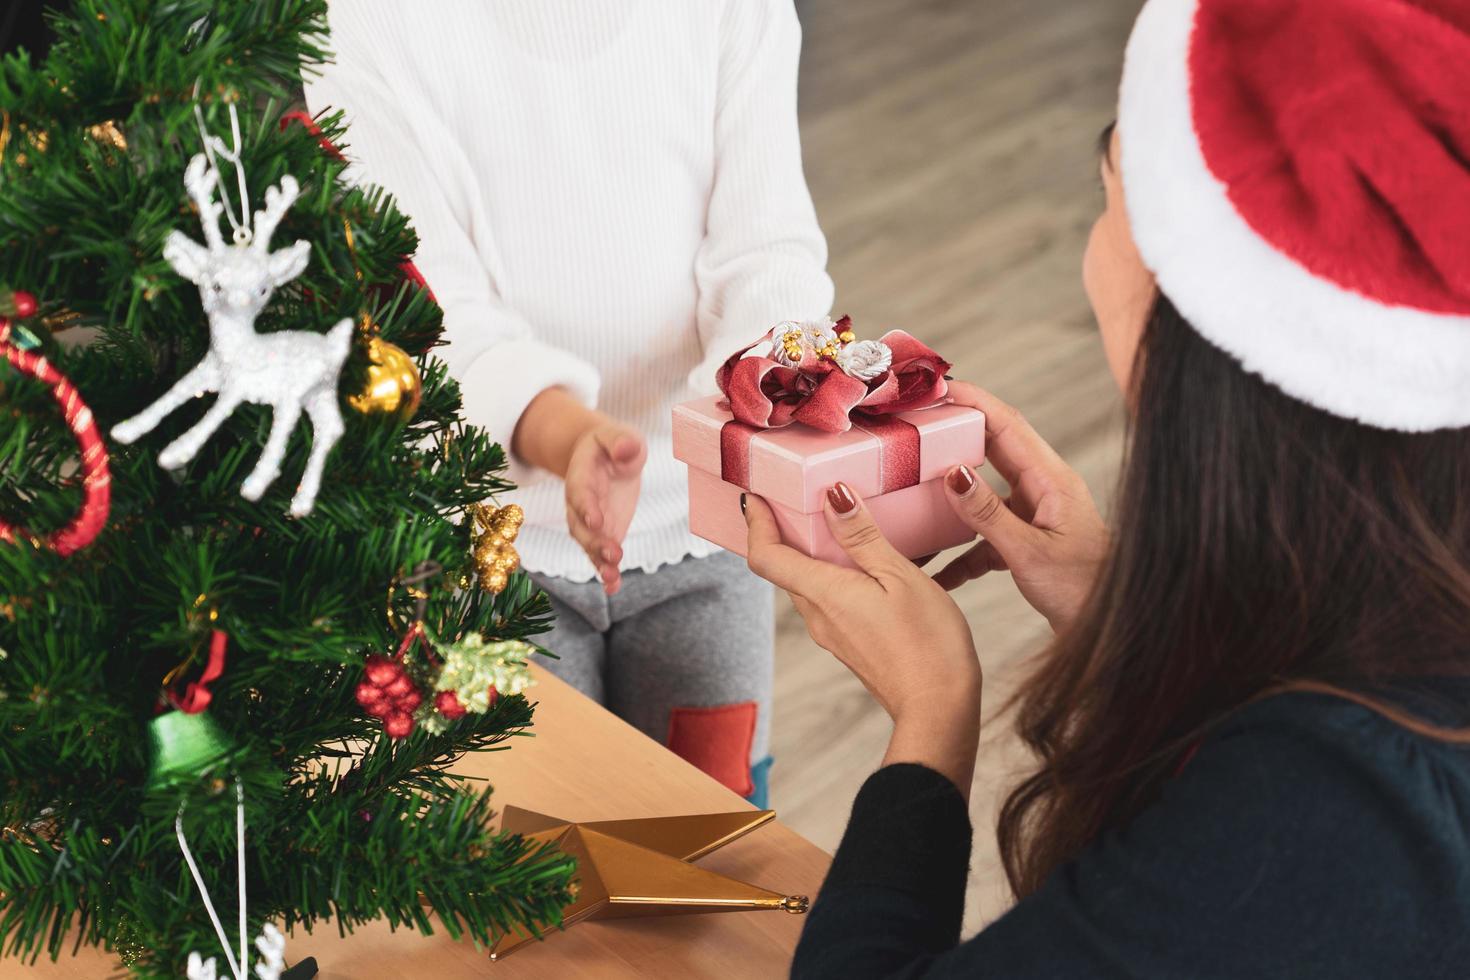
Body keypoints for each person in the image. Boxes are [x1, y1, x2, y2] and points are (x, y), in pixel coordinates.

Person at [744, 0, 1470, 975]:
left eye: (1111, 188)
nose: (1095, 248)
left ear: (1203, 335)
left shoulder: (1316, 817)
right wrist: (1115, 623)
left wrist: (931, 711)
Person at [305, 0, 834, 805]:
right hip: (483, 544)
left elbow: (768, 248)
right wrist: (562, 432)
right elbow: (422, 305)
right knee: (539, 854)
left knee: (713, 840)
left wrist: (764, 401)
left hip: (711, 527)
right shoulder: (363, 22)